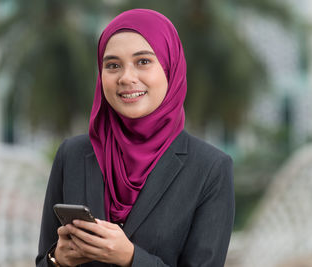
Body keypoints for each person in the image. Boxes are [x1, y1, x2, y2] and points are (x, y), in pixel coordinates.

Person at [36, 8, 235, 267]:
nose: (126, 78)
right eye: (113, 65)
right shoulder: (72, 155)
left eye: (143, 61)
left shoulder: (210, 168)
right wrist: (58, 259)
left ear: (170, 68)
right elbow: (43, 260)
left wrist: (131, 258)